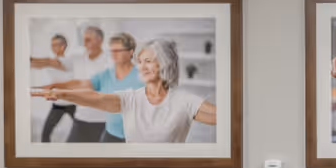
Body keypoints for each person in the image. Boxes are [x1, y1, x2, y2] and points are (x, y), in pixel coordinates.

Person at [34, 38, 215, 144]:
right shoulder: (130, 98)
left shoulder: (183, 100)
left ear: (166, 63)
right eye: (140, 61)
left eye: (148, 61)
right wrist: (61, 93)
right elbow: (96, 97)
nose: (141, 67)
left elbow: (224, 118)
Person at [42, 26, 112, 143]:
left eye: (88, 40)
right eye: (84, 40)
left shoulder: (107, 61)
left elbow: (87, 84)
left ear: (99, 40)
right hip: (75, 113)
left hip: (96, 117)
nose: (84, 44)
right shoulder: (77, 58)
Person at [89, 33, 143, 143]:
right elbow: (83, 86)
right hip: (110, 134)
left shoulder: (142, 76)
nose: (114, 54)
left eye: (118, 50)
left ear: (130, 52)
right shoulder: (105, 74)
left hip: (136, 138)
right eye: (112, 50)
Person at [29, 34, 75, 142]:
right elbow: (40, 65)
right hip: (58, 105)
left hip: (73, 104)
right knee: (45, 135)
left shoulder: (68, 61)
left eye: (55, 45)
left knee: (85, 132)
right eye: (52, 45)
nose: (52, 47)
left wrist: (30, 59)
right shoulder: (51, 62)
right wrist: (27, 62)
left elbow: (49, 62)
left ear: (63, 46)